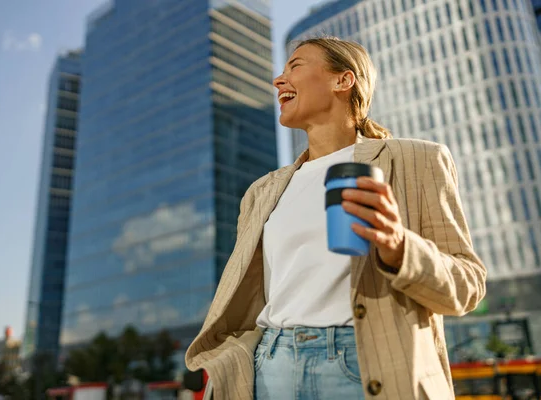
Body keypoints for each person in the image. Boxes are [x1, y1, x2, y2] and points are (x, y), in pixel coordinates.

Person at [185, 37, 487, 400]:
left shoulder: (416, 160)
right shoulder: (261, 192)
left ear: (343, 81)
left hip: (363, 367)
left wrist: (400, 248)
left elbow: (467, 286)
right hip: (271, 368)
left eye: (295, 66)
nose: (279, 80)